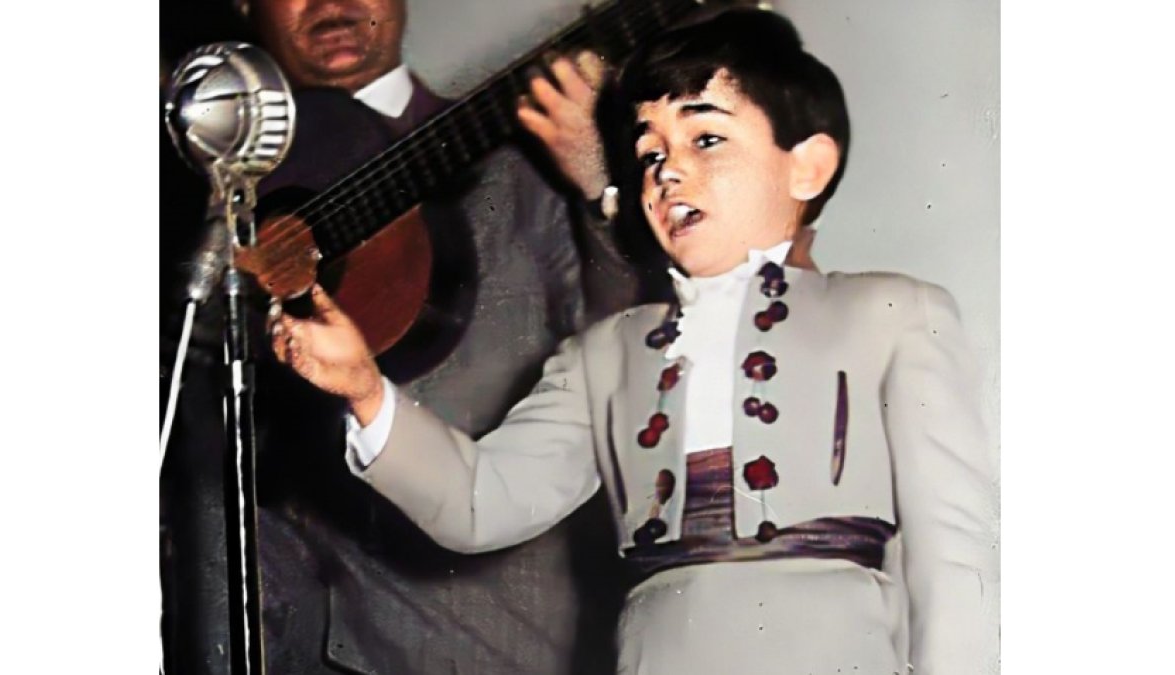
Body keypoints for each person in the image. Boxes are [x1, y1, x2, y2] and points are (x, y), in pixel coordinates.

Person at [268, 8, 997, 674]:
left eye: (706, 138)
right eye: (649, 154)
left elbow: (952, 558)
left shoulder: (895, 313)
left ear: (807, 164)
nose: (669, 171)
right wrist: (366, 389)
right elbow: (480, 502)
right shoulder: (606, 352)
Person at [159, 0, 643, 673]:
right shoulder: (187, 194)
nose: (333, 3)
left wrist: (601, 189)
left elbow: (628, 353)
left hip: (478, 644)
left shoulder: (529, 160)